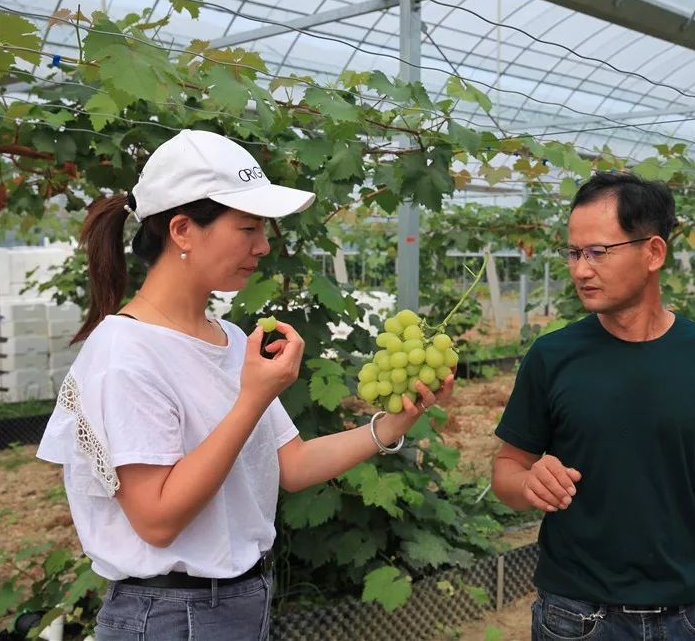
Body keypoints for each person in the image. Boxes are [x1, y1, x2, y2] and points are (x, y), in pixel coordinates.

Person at [36, 129, 453, 640]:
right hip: (170, 617)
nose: (263, 245)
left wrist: (391, 425)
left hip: (240, 602)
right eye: (248, 228)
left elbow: (293, 465)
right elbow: (158, 519)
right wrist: (253, 398)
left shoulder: (230, 339)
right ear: (184, 230)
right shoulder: (124, 353)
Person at [491, 171, 695, 641]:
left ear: (653, 252)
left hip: (685, 618)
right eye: (574, 253)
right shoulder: (552, 357)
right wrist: (528, 483)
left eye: (598, 252)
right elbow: (507, 470)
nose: (580, 269)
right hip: (574, 618)